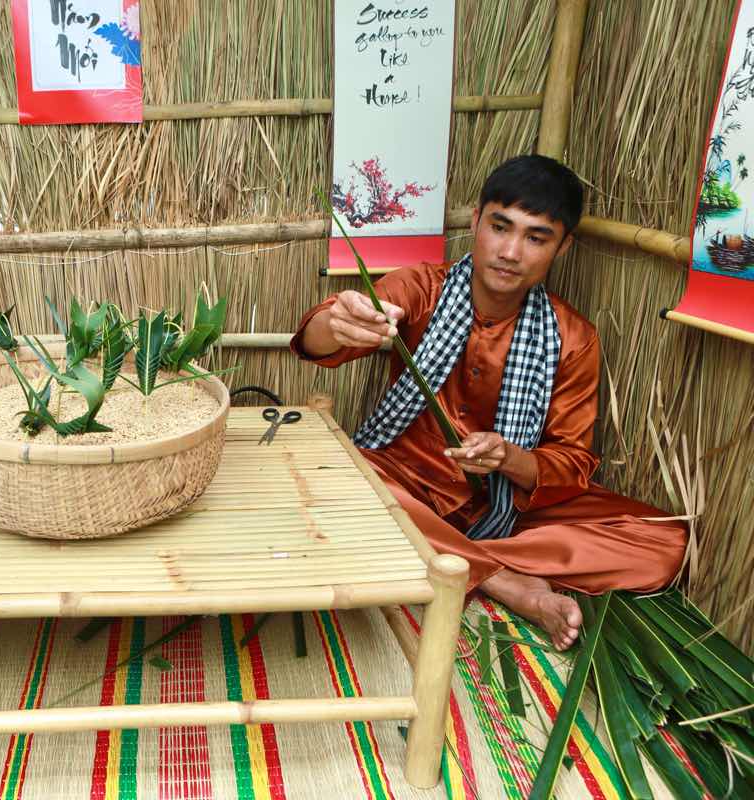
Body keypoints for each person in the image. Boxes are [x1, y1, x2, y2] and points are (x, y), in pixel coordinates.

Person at [292, 155, 687, 650]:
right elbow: (317, 340)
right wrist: (337, 322)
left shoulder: (572, 336)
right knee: (337, 479)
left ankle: (448, 554)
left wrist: (510, 457)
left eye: (536, 237)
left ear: (561, 247)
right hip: (402, 482)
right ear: (476, 220)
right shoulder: (422, 288)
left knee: (664, 543)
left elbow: (573, 462)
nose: (511, 251)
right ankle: (504, 581)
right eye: (500, 227)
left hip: (507, 511)